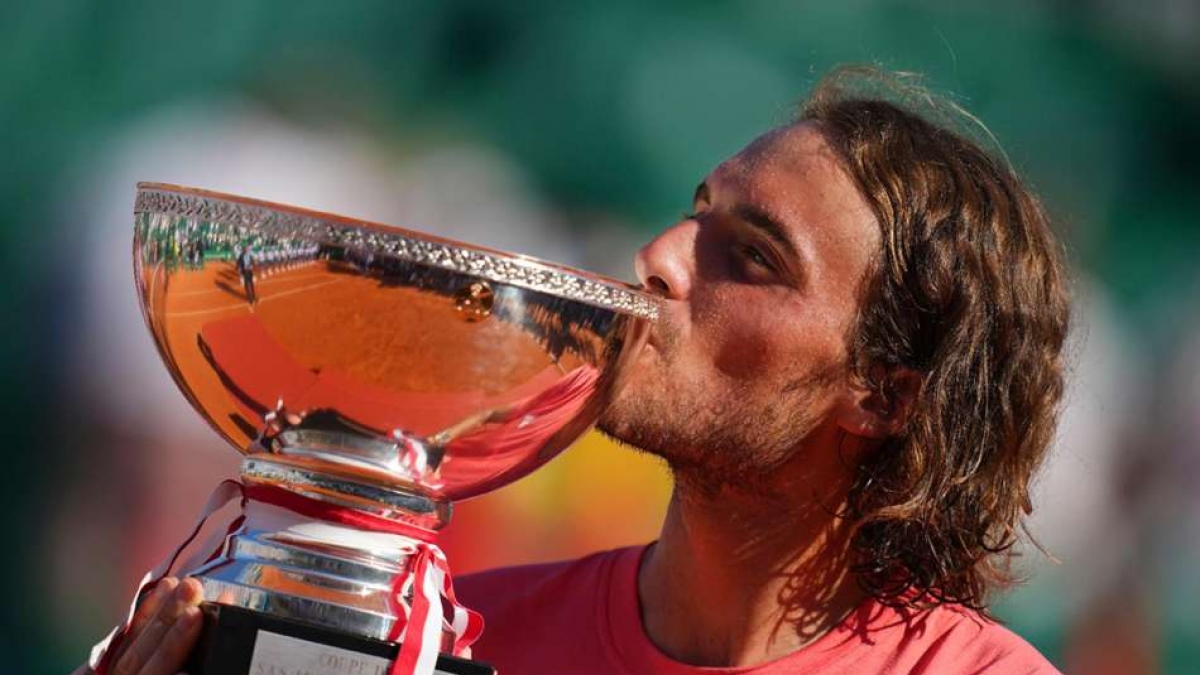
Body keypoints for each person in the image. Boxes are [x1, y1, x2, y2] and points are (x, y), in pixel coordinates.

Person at [76, 65, 1069, 675]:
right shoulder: (451, 642)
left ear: (884, 391)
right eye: (696, 211)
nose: (660, 257)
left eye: (753, 256)